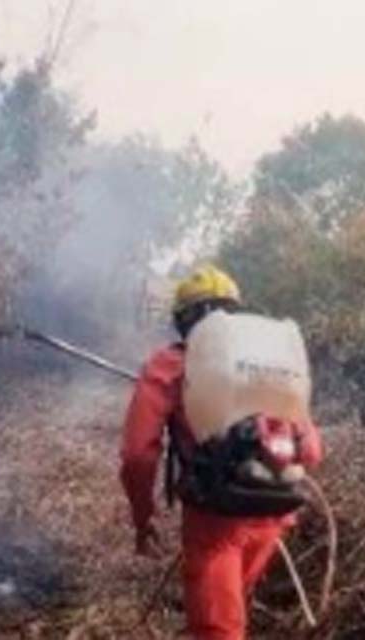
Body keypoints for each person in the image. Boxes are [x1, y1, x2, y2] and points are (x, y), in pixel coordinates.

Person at [120, 264, 324, 640]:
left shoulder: (169, 365)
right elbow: (311, 451)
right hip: (276, 512)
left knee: (219, 629)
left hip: (215, 522)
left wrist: (142, 517)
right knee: (231, 610)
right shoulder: (269, 364)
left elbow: (138, 455)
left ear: (183, 321)